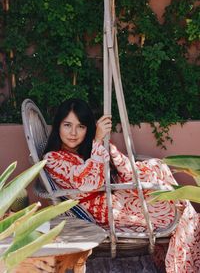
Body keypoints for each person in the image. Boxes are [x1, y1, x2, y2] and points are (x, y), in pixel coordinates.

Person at [43, 98, 200, 273]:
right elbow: (89, 183)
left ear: (87, 129)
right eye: (67, 125)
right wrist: (96, 140)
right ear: (58, 126)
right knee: (179, 213)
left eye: (80, 126)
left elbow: (109, 168)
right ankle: (185, 266)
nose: (73, 133)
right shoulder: (52, 159)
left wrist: (101, 144)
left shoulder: (81, 149)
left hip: (115, 197)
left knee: (160, 171)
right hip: (107, 212)